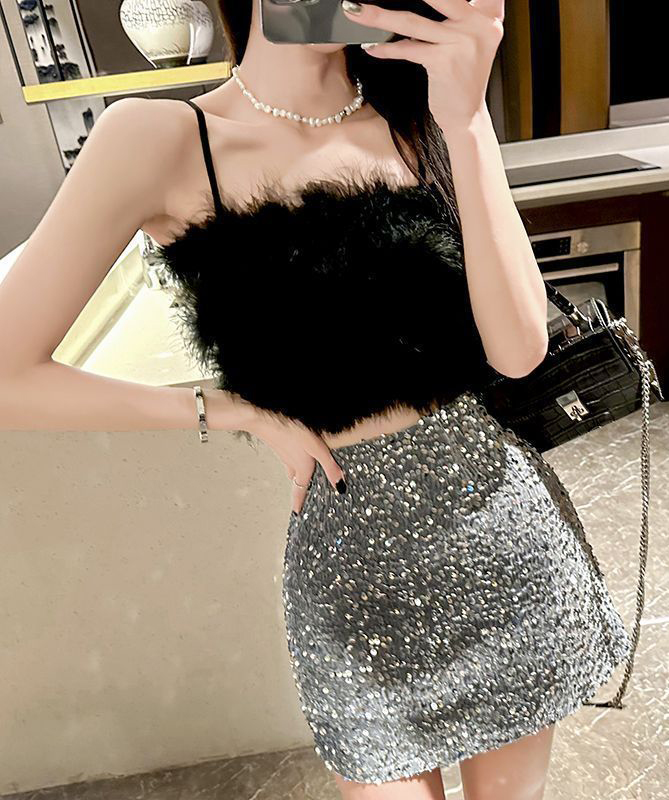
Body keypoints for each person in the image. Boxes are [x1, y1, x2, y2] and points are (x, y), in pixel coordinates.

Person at [0, 1, 632, 798]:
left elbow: (517, 351)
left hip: (502, 536)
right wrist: (229, 410)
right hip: (351, 570)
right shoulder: (161, 139)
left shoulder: (426, 113)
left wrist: (469, 122)